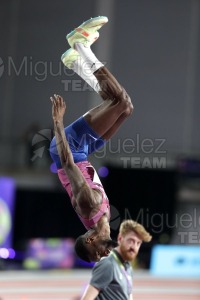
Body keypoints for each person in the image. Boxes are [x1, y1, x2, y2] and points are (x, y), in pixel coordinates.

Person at [49, 16, 133, 262]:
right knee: (125, 110)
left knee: (120, 102)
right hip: (84, 152)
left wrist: (57, 122)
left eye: (98, 252)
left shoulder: (88, 205)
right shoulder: (105, 216)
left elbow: (66, 162)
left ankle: (80, 44)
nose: (105, 253)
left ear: (90, 239)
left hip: (69, 147)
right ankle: (75, 62)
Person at [80, 219, 152, 300]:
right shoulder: (108, 264)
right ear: (120, 238)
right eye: (131, 241)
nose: (134, 247)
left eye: (138, 243)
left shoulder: (128, 267)